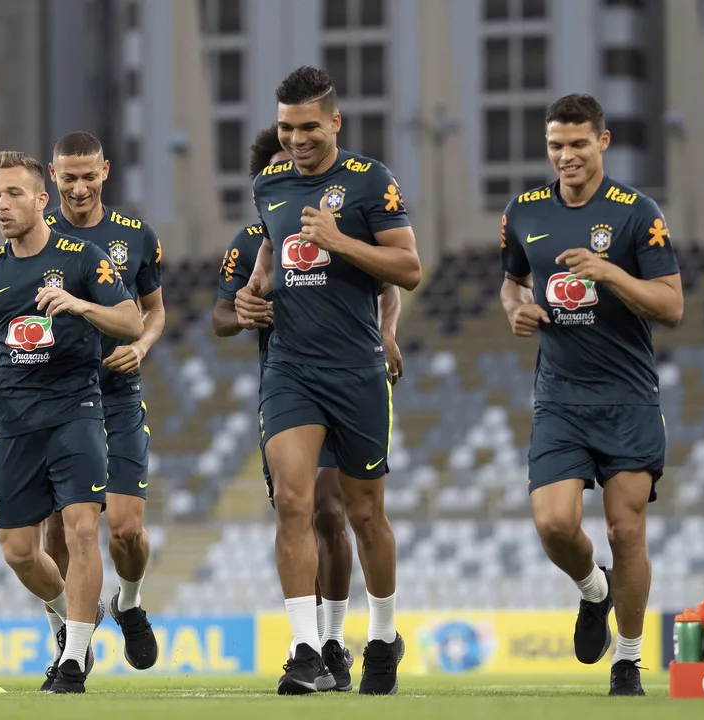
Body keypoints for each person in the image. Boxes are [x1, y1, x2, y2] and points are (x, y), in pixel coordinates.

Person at [235, 66, 421, 696]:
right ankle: (306, 650)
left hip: (357, 369)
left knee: (366, 514)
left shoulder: (372, 181)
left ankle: (383, 637)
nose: (297, 139)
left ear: (335, 122)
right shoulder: (270, 185)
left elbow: (409, 267)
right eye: (287, 128)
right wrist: (251, 294)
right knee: (294, 501)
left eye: (309, 127)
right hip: (290, 368)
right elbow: (270, 251)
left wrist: (340, 241)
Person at [498, 93, 683, 696]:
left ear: (602, 141)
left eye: (579, 143)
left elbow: (673, 306)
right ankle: (592, 591)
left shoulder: (636, 212)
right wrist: (517, 310)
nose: (567, 155)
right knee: (554, 525)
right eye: (556, 145)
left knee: (626, 531)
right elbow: (511, 282)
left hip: (627, 397)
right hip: (559, 398)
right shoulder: (523, 211)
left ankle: (627, 660)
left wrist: (611, 273)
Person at [0, 150, 143, 694]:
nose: (2, 204)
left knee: (83, 528)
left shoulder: (83, 258)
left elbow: (131, 319)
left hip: (75, 413)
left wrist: (80, 305)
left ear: (42, 200)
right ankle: (70, 621)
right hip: (13, 425)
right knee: (18, 551)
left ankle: (74, 661)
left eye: (14, 193)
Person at [40, 131, 164, 685]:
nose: (80, 186)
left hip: (116, 399)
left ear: (106, 171)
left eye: (90, 175)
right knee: (56, 534)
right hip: (58, 400)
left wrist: (139, 346)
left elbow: (154, 312)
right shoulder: (37, 239)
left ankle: (129, 603)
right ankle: (71, 640)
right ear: (52, 176)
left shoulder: (135, 237)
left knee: (127, 533)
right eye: (70, 177)